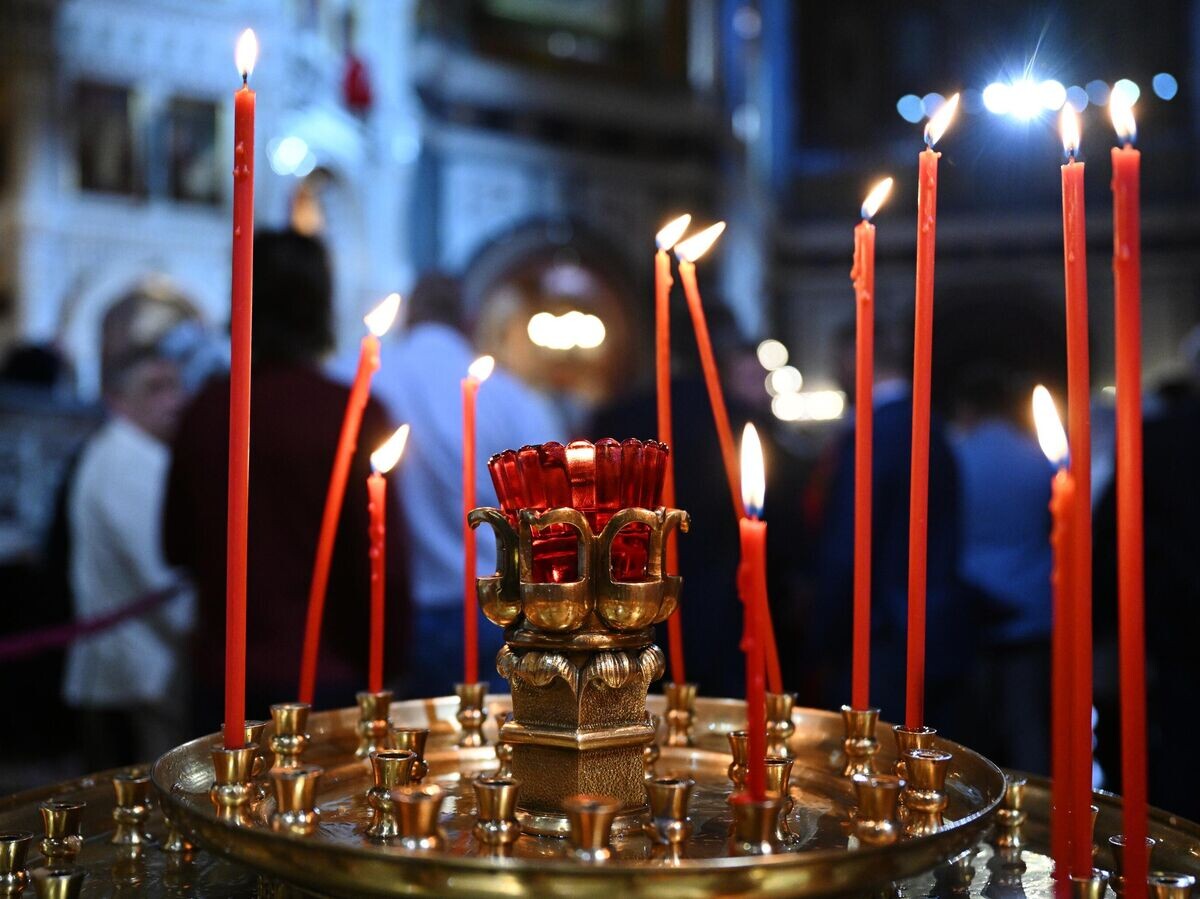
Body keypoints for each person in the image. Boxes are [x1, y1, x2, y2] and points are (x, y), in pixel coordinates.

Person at [164, 231, 409, 731]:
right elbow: (379, 565)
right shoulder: (352, 413)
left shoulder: (209, 408)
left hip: (223, 674)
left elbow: (174, 544)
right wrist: (393, 664)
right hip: (326, 675)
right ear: (321, 304)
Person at [330, 273, 562, 697]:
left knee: (394, 743)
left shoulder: (354, 376)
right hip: (489, 601)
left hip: (386, 605)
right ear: (470, 321)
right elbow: (552, 503)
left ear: (408, 317)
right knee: (487, 745)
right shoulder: (510, 396)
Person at [805, 315, 972, 734]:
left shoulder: (875, 434)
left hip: (878, 635)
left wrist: (818, 636)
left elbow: (849, 546)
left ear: (853, 358)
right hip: (934, 630)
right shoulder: (930, 426)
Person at [63, 317, 195, 770]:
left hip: (140, 667)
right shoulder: (126, 461)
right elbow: (159, 576)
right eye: (155, 388)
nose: (174, 400)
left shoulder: (136, 454)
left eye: (177, 385)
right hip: (137, 674)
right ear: (117, 400)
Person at [951, 366, 1052, 773]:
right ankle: (1038, 815)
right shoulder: (1035, 456)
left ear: (969, 408)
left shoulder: (959, 454)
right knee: (1028, 722)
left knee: (976, 727)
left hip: (975, 601)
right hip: (1034, 602)